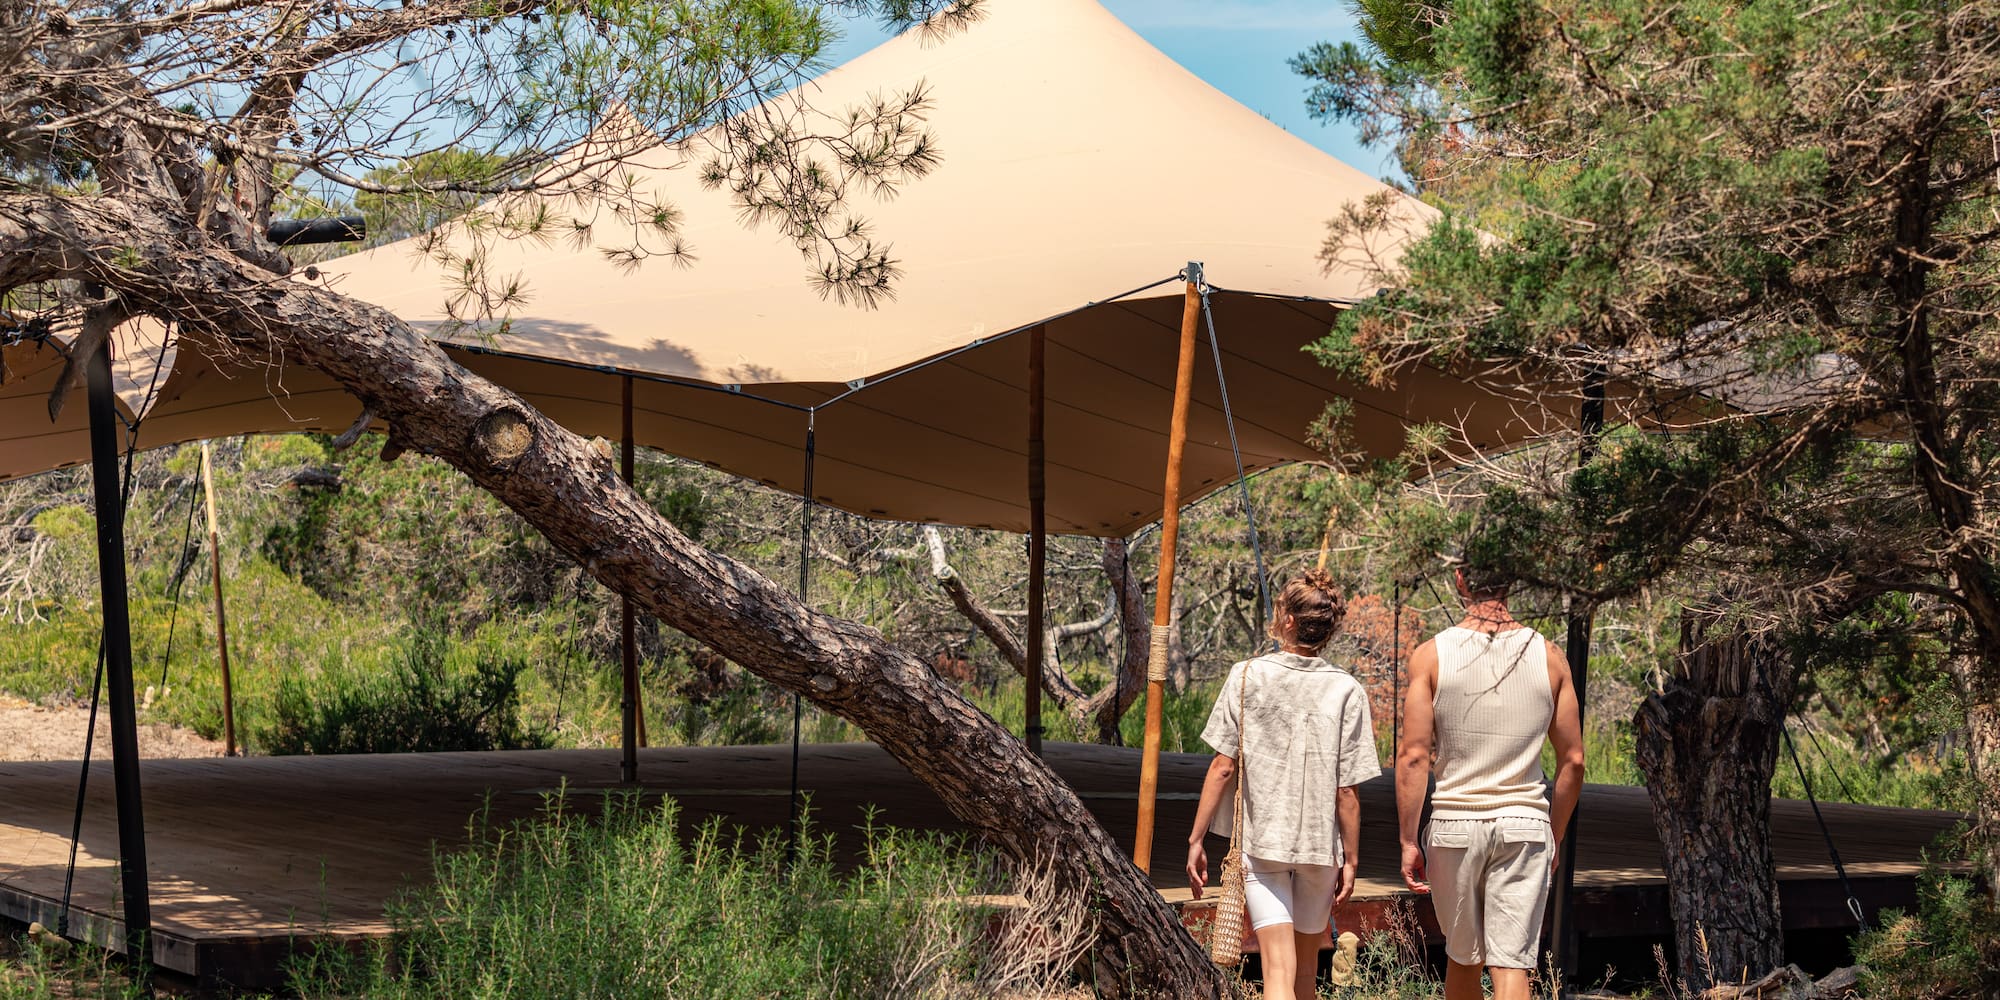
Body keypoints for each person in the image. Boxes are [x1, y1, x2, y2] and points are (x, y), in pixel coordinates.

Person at [1397, 557, 1586, 1000]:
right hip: (1525, 825)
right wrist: (1554, 833)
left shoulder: (1431, 654)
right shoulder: (1550, 656)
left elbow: (1413, 756)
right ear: (1514, 582)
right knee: (1512, 964)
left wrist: (1409, 839)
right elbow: (1573, 760)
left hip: (1455, 827)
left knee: (1463, 960)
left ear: (1460, 579)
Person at [1186, 570, 1380, 1000]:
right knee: (1306, 975)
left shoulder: (1246, 676)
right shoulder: (1347, 690)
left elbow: (1222, 766)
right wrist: (1351, 859)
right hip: (1319, 848)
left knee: (1276, 974)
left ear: (1289, 621)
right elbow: (1346, 791)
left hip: (1265, 845)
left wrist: (1197, 839)